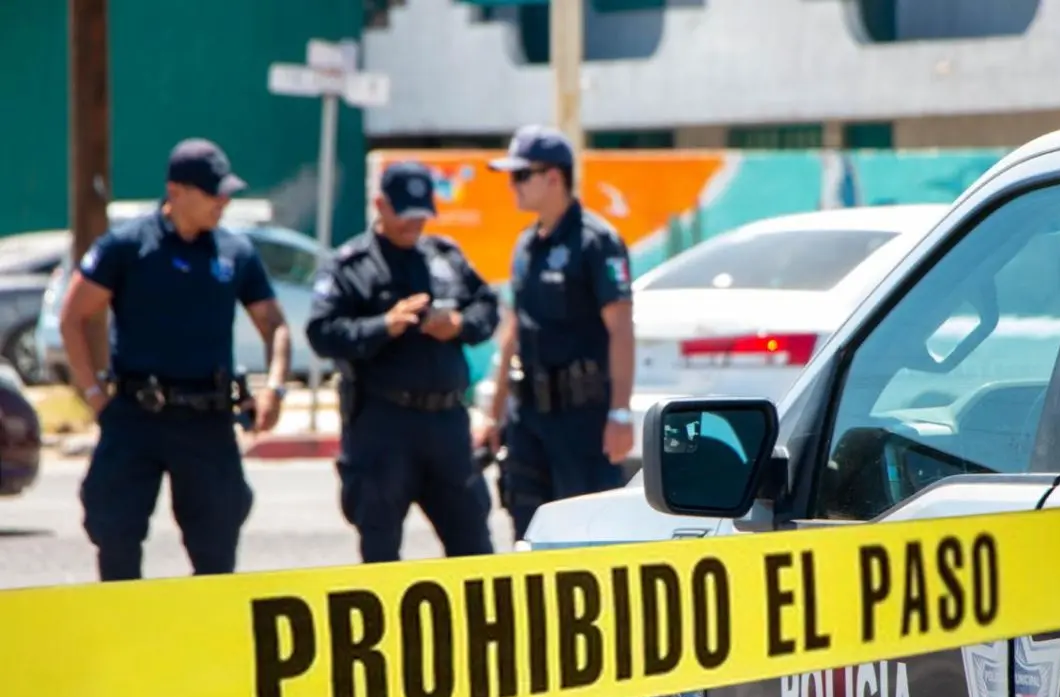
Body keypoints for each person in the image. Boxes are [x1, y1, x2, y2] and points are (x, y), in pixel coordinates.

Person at [58, 138, 291, 582]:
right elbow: (73, 316)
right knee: (116, 535)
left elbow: (274, 324)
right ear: (176, 191)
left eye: (226, 193)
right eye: (212, 193)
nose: (223, 202)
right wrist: (91, 392)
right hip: (135, 416)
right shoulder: (128, 246)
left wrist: (275, 387)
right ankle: (124, 640)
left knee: (217, 548)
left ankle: (209, 642)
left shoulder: (234, 252)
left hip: (207, 419)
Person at [306, 160, 499, 563]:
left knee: (475, 552)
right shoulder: (352, 266)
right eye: (404, 214)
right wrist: (384, 326)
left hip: (447, 426)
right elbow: (322, 332)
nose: (414, 225)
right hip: (383, 427)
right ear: (380, 205)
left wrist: (459, 323)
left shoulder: (444, 257)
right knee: (380, 552)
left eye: (421, 215)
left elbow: (488, 308)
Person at [476, 124, 636, 540]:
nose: (512, 186)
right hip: (528, 418)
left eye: (520, 175)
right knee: (528, 535)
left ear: (553, 178)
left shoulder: (596, 242)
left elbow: (620, 329)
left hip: (581, 420)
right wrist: (493, 411)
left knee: (589, 536)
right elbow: (515, 328)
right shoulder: (526, 245)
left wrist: (620, 413)